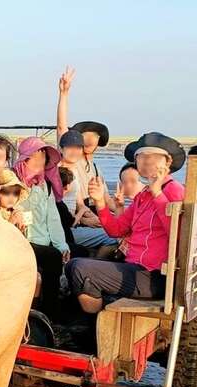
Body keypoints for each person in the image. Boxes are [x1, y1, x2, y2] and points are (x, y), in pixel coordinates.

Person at [65, 132, 186, 314]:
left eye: (151, 156)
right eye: (140, 156)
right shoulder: (142, 196)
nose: (145, 161)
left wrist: (157, 194)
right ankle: (93, 321)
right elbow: (117, 229)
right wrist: (100, 202)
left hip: (153, 275)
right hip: (132, 266)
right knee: (75, 265)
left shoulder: (174, 191)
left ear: (167, 162)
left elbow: (179, 233)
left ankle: (93, 326)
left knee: (81, 269)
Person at [56, 67, 116, 254]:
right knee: (114, 237)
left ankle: (93, 268)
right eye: (86, 138)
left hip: (85, 217)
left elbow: (87, 202)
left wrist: (115, 213)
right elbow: (61, 128)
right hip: (68, 224)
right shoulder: (64, 165)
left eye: (94, 138)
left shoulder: (90, 168)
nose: (90, 141)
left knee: (118, 233)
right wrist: (64, 93)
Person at [14, 136, 69, 319]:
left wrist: (62, 245)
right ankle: (49, 313)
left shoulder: (45, 186)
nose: (39, 162)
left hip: (42, 241)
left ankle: (54, 311)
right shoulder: (12, 182)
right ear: (24, 159)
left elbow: (53, 219)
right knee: (52, 257)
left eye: (43, 157)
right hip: (21, 241)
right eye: (34, 157)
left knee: (69, 251)